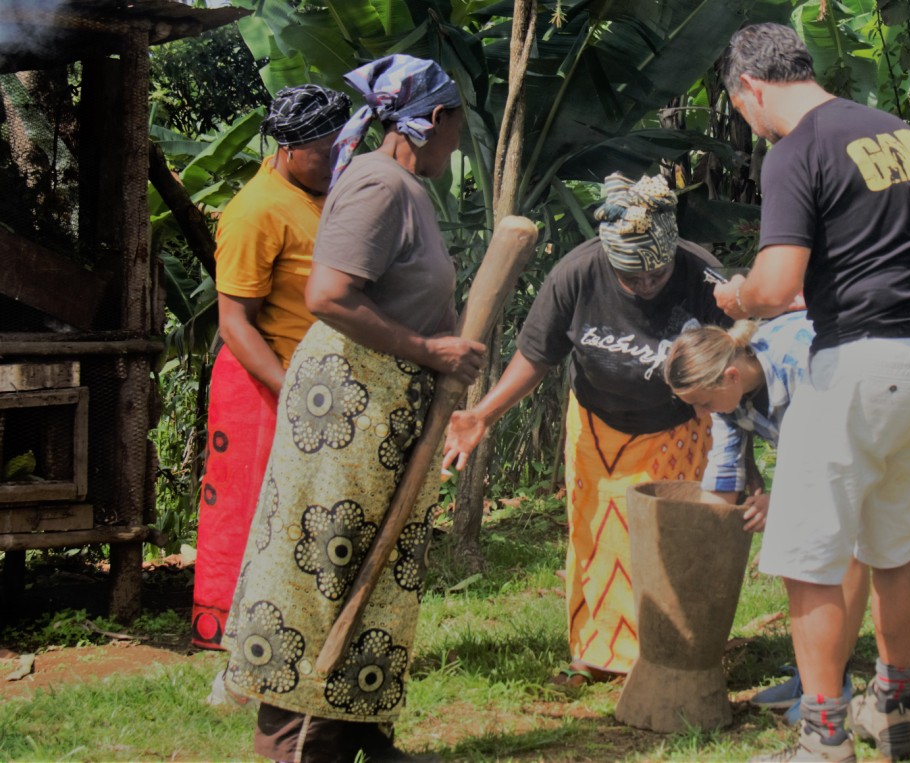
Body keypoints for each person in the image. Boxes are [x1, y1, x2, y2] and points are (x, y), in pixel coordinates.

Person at [714, 23, 910, 762]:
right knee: (890, 546)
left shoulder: (797, 150)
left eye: (741, 110)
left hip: (862, 361)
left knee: (809, 556)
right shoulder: (893, 132)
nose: (749, 124)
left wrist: (740, 296)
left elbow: (779, 283)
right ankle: (892, 704)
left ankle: (823, 737)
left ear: (751, 89)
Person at [222, 54, 483, 763]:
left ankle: (362, 730)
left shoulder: (399, 183)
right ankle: (300, 744)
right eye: (457, 128)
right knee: (325, 568)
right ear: (430, 121)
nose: (458, 145)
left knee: (376, 561)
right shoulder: (378, 183)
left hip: (380, 404)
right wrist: (430, 349)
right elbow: (329, 297)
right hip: (350, 405)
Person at [442, 172, 729, 683]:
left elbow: (730, 370)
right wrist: (482, 414)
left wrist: (736, 453)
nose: (643, 285)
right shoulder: (575, 274)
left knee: (670, 541)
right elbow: (535, 356)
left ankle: (667, 651)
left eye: (654, 275)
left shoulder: (704, 277)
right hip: (597, 426)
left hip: (679, 428)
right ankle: (596, 652)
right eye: (630, 277)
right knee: (595, 534)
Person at [193, 84, 348, 665]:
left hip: (306, 381)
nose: (335, 161)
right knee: (248, 505)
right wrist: (293, 393)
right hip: (260, 378)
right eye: (324, 151)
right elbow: (235, 320)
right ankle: (230, 639)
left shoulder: (319, 192)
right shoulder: (255, 210)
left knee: (296, 511)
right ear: (286, 147)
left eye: (341, 148)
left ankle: (288, 628)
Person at [664, 314, 860, 723]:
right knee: (800, 564)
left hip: (862, 436)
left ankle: (831, 686)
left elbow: (828, 446)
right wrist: (701, 544)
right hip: (819, 456)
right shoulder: (729, 394)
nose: (701, 413)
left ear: (731, 377)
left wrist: (783, 499)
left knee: (842, 555)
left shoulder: (802, 359)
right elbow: (724, 470)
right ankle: (812, 674)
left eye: (702, 402)